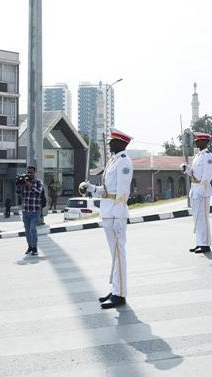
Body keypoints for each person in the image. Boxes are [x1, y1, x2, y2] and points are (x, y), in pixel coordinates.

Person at [79, 128, 134, 309]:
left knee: (119, 253)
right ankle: (116, 289)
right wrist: (91, 188)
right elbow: (107, 190)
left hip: (115, 213)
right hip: (108, 211)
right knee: (114, 254)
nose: (109, 143)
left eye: (113, 141)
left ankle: (120, 294)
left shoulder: (124, 162)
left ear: (121, 143)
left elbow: (123, 192)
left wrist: (119, 215)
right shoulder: (113, 161)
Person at [181, 132, 212, 253]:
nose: (196, 142)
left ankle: (205, 244)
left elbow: (207, 176)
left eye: (199, 140)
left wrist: (201, 190)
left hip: (202, 191)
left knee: (203, 218)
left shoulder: (208, 156)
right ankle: (199, 242)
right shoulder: (197, 156)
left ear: (205, 142)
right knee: (196, 218)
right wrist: (187, 169)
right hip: (194, 189)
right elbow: (195, 173)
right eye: (196, 140)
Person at [19, 166, 44, 256]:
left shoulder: (38, 182)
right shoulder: (24, 182)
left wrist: (28, 184)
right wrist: (21, 184)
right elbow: (20, 194)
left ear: (34, 173)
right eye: (28, 172)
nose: (29, 174)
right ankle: (30, 247)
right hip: (25, 210)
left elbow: (38, 193)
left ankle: (35, 248)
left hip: (35, 210)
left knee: (32, 229)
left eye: (31, 172)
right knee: (27, 231)